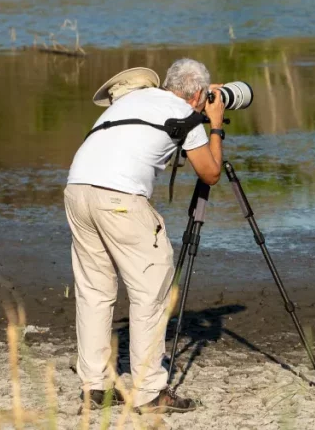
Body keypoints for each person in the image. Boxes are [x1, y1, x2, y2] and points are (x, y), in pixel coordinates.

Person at [64, 58, 225, 414]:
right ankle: (150, 391)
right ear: (198, 94)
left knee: (94, 291)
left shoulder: (129, 101)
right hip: (119, 198)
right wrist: (214, 125)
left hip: (77, 190)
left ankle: (95, 387)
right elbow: (210, 173)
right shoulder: (187, 115)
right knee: (150, 291)